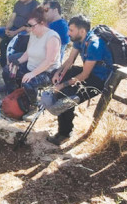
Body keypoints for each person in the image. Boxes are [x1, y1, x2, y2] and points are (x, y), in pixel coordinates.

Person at [47, 15, 113, 145]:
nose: (68, 33)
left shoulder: (94, 45)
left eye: (71, 30)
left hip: (99, 79)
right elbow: (70, 61)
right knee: (56, 76)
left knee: (67, 97)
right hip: (89, 72)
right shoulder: (79, 40)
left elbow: (85, 75)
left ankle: (64, 133)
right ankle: (62, 118)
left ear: (82, 31)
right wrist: (58, 73)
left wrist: (62, 85)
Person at [1, 7, 61, 103]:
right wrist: (17, 62)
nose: (30, 29)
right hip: (31, 66)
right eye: (28, 25)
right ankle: (12, 93)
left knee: (28, 83)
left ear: (42, 23)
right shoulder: (33, 34)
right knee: (7, 70)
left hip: (46, 72)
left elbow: (50, 61)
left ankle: (33, 104)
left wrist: (33, 73)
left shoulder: (52, 37)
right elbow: (27, 53)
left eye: (32, 26)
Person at [0, 0, 40, 66]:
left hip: (25, 31)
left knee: (18, 38)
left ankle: (12, 57)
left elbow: (29, 25)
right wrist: (7, 29)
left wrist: (15, 32)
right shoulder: (18, 4)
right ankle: (3, 55)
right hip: (14, 28)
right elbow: (12, 19)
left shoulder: (35, 5)